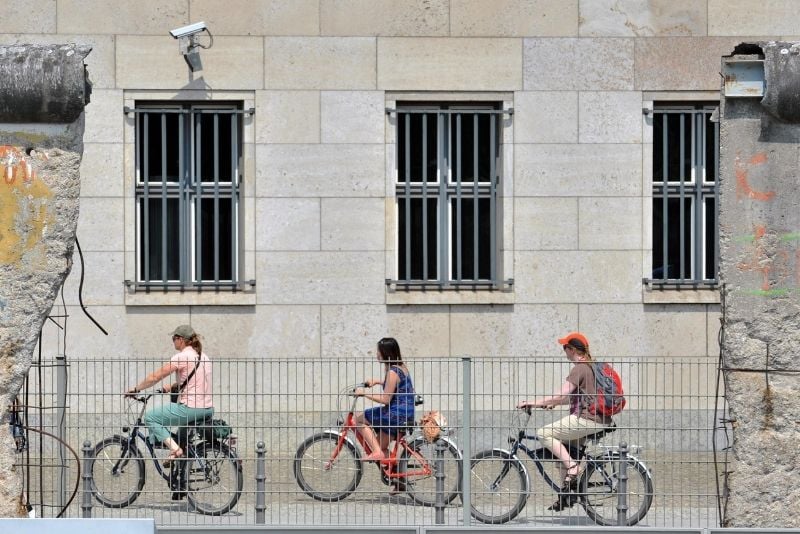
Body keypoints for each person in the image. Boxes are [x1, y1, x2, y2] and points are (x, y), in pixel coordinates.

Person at [517, 332, 613, 510]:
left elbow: (561, 394)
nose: (564, 351)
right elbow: (568, 398)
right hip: (596, 418)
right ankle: (567, 495)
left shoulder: (580, 368)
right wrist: (547, 404)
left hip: (587, 419)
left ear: (572, 349)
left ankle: (573, 469)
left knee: (543, 433)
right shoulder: (590, 366)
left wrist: (532, 402)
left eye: (565, 347)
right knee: (564, 454)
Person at [125, 325, 214, 465]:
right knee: (181, 437)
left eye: (174, 338)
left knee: (150, 417)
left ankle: (175, 451)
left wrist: (137, 389)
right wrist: (171, 387)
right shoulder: (204, 356)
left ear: (181, 340)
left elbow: (155, 377)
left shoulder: (182, 356)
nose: (173, 341)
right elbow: (195, 380)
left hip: (190, 409)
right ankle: (181, 468)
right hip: (207, 408)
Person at [353, 337, 415, 463]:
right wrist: (377, 381)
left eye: (379, 351)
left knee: (357, 420)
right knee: (382, 447)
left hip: (394, 414)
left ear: (386, 353)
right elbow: (396, 387)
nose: (377, 354)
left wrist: (364, 394)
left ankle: (376, 452)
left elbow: (386, 399)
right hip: (405, 413)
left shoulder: (392, 372)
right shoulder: (401, 367)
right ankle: (398, 478)